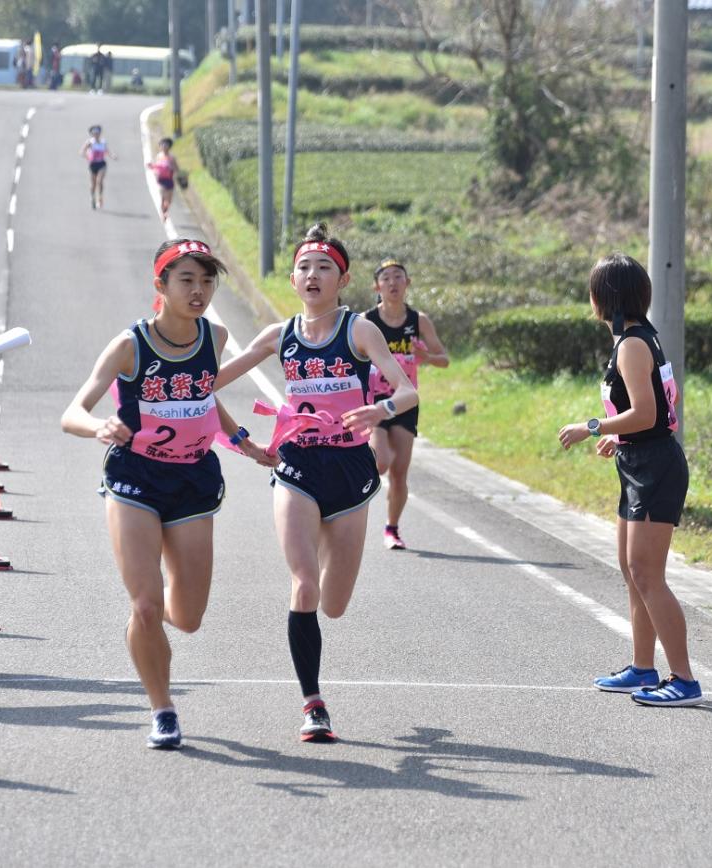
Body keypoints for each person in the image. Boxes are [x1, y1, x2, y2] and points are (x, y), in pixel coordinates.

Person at [214, 224, 417, 743]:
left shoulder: (359, 331)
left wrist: (380, 409)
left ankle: (316, 673)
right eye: (304, 267)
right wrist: (243, 442)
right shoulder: (279, 336)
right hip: (298, 466)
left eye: (324, 267)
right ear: (291, 278)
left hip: (350, 473)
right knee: (303, 583)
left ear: (342, 279)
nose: (312, 275)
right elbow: (204, 384)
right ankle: (313, 703)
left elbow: (407, 390)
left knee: (334, 603)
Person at [62, 239, 265, 749]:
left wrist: (244, 442)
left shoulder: (215, 337)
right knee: (148, 604)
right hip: (135, 479)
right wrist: (99, 427)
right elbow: (72, 412)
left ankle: (147, 619)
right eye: (187, 281)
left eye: (207, 281)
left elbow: (203, 396)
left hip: (193, 479)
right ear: (161, 286)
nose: (199, 291)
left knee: (189, 618)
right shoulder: (129, 345)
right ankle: (163, 708)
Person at [557, 254, 703, 709]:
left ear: (606, 297)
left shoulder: (633, 344)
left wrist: (593, 427)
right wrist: (618, 438)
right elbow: (645, 414)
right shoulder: (631, 339)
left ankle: (684, 679)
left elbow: (649, 413)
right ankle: (643, 667)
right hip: (638, 460)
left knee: (647, 573)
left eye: (594, 289)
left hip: (657, 466)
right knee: (631, 570)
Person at [363, 258, 448, 550]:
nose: (393, 283)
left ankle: (392, 528)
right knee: (382, 461)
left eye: (398, 277)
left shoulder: (418, 321)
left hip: (406, 401)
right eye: (386, 278)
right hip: (374, 401)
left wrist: (426, 358)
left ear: (407, 283)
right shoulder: (367, 321)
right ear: (377, 286)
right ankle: (353, 497)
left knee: (400, 470)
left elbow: (444, 359)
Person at [80, 125, 115, 210]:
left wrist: (112, 156)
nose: (96, 134)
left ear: (99, 133)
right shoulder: (90, 142)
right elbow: (81, 151)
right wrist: (87, 156)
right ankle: (92, 197)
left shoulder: (103, 142)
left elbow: (107, 151)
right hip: (93, 165)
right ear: (92, 134)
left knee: (99, 181)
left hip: (101, 164)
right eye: (94, 133)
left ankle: (100, 198)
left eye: (97, 133)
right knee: (93, 184)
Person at [148, 138, 180, 222]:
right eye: (162, 145)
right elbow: (156, 167)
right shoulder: (159, 156)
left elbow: (177, 169)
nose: (164, 147)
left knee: (169, 200)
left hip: (170, 180)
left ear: (169, 147)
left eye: (166, 145)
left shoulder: (172, 157)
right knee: (163, 198)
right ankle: (164, 214)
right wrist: (153, 168)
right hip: (161, 180)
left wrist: (172, 168)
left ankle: (165, 211)